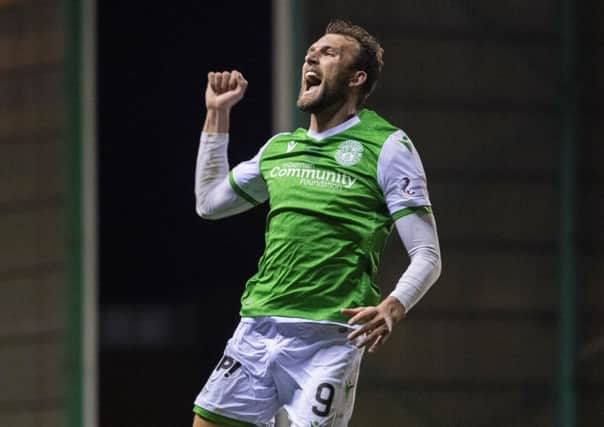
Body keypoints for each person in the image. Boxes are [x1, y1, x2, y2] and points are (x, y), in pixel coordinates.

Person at [192, 20, 441, 427]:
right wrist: (217, 114)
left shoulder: (387, 145)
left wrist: (393, 307)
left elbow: (427, 254)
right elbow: (209, 202)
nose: (311, 56)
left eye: (329, 53)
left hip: (327, 340)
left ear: (356, 78)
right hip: (257, 328)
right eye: (311, 51)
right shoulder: (281, 149)